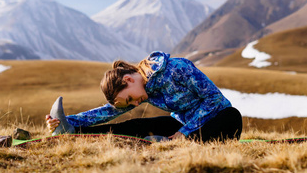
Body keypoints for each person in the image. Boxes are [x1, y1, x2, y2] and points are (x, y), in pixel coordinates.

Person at [46, 51, 242, 142]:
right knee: (138, 125)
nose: (135, 103)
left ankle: (178, 143)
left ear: (128, 80)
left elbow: (213, 98)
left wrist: (186, 132)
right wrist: (66, 121)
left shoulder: (176, 68)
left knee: (232, 115)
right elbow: (108, 113)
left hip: (218, 121)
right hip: (183, 128)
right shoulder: (143, 89)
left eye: (130, 99)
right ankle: (73, 133)